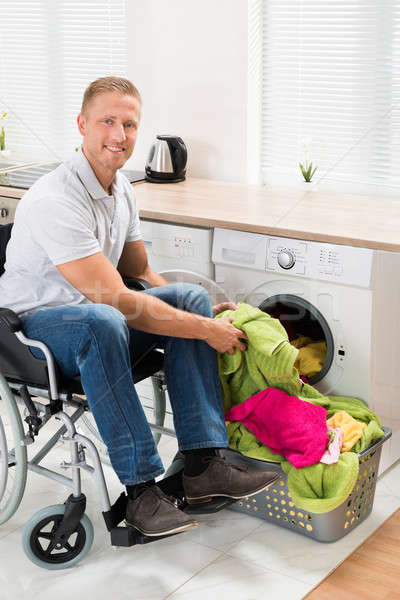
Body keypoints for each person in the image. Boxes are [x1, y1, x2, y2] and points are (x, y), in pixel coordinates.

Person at [0, 76, 278, 538]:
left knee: (187, 299)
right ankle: (140, 494)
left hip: (97, 319)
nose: (119, 135)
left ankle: (203, 467)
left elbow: (144, 276)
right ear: (82, 125)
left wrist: (199, 313)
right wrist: (203, 331)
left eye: (129, 124)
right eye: (107, 121)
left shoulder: (122, 190)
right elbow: (117, 301)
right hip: (30, 333)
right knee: (105, 319)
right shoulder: (57, 198)